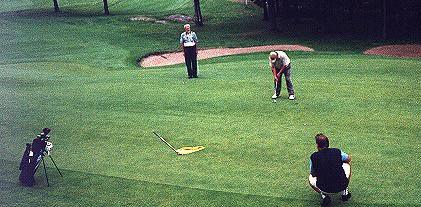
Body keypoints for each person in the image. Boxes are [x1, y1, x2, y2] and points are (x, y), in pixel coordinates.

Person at [309, 133, 352, 206]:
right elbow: (348, 159)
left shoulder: (314, 156)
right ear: (328, 143)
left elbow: (313, 174)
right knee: (347, 164)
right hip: (342, 185)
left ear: (317, 145)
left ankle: (324, 196)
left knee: (310, 178)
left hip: (324, 188)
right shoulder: (337, 151)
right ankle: (345, 192)